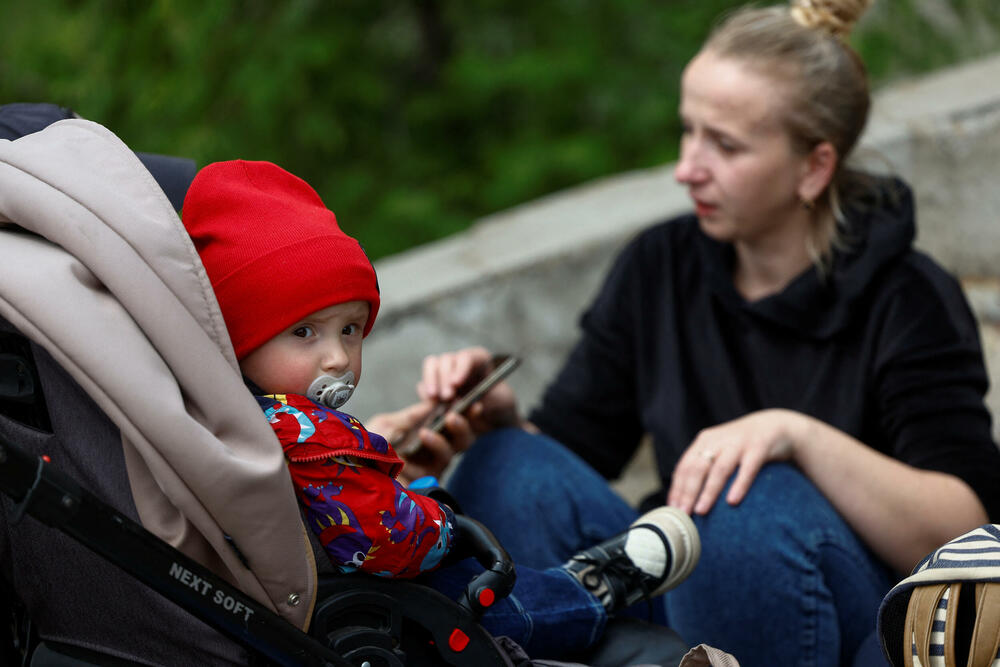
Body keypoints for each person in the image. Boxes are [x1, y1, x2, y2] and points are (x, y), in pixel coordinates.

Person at [372, 1, 1000, 665]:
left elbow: (964, 528)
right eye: (688, 132)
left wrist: (797, 437)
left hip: (835, 607)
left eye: (724, 145)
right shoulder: (659, 265)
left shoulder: (907, 295)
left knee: (744, 497)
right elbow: (566, 469)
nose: (686, 167)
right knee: (509, 463)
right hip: (685, 579)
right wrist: (496, 420)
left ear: (814, 168)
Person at [180, 159, 697, 661]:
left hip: (337, 581)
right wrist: (446, 525)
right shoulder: (309, 436)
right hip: (397, 604)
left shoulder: (233, 420)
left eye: (350, 329)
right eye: (304, 332)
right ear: (239, 340)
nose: (336, 357)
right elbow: (382, 535)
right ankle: (593, 590)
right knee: (518, 606)